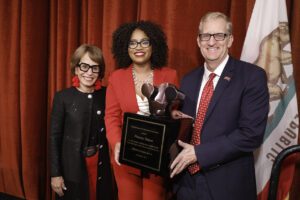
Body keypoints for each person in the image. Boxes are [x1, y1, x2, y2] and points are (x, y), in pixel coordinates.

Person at [169, 12, 269, 200]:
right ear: (199, 41)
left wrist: (199, 153)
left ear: (230, 40)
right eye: (205, 36)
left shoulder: (252, 77)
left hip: (227, 187)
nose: (211, 42)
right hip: (186, 185)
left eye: (219, 35)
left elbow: (251, 135)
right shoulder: (189, 80)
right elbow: (187, 127)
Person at [105, 21, 178, 200]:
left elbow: (175, 116)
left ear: (153, 45)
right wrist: (116, 143)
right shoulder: (116, 77)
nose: (139, 47)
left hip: (157, 157)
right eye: (133, 42)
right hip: (126, 156)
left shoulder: (170, 75)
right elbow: (112, 116)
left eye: (145, 42)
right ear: (125, 47)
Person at [50, 44, 116, 200]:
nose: (89, 72)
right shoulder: (63, 97)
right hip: (72, 169)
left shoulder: (108, 95)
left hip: (101, 166)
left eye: (95, 68)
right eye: (84, 66)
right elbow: (54, 138)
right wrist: (55, 174)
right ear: (76, 68)